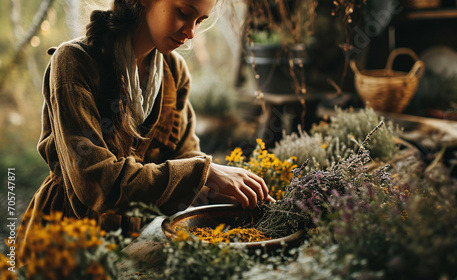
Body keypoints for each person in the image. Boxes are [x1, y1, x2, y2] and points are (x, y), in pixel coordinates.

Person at [18, 0, 274, 260]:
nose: (191, 32)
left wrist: (229, 196)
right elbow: (96, 181)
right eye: (184, 13)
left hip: (131, 242)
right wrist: (203, 173)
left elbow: (184, 157)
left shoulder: (174, 72)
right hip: (65, 244)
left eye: (200, 21)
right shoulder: (75, 62)